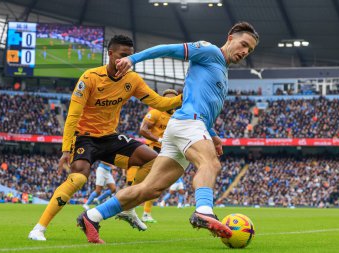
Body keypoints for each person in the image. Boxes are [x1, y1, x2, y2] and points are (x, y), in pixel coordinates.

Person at [77, 21, 259, 244]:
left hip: (186, 126)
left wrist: (213, 134)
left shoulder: (221, 69)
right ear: (230, 38)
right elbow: (167, 49)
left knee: (149, 190)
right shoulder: (209, 51)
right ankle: (204, 210)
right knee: (210, 164)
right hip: (187, 124)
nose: (244, 52)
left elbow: (201, 105)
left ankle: (91, 216)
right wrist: (132, 59)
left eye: (249, 50)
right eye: (243, 45)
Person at [28, 35, 182, 241]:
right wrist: (66, 149)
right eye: (122, 55)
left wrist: (187, 96)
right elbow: (73, 115)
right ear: (110, 54)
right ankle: (39, 228)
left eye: (130, 56)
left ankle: (127, 206)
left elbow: (161, 103)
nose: (127, 60)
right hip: (85, 138)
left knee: (153, 159)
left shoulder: (132, 80)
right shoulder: (90, 77)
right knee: (78, 178)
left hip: (110, 138)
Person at [138, 88, 179, 222]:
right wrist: (158, 139)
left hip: (166, 152)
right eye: (168, 99)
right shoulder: (155, 112)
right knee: (149, 182)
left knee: (155, 184)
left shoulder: (177, 116)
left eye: (173, 99)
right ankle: (132, 208)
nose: (170, 102)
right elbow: (143, 130)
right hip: (152, 149)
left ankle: (145, 213)